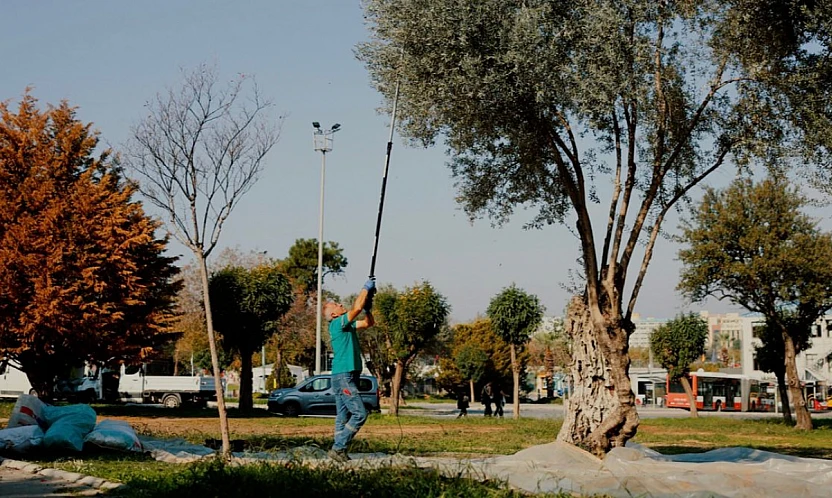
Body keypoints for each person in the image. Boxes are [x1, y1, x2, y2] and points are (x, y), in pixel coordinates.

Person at [325, 278, 376, 462]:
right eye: (336, 305)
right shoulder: (337, 324)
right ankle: (338, 447)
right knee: (360, 414)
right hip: (344, 375)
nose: (340, 304)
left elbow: (368, 323)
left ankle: (338, 452)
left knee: (342, 416)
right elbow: (356, 309)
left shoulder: (346, 326)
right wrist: (365, 289)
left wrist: (368, 308)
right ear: (334, 315)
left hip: (346, 375)